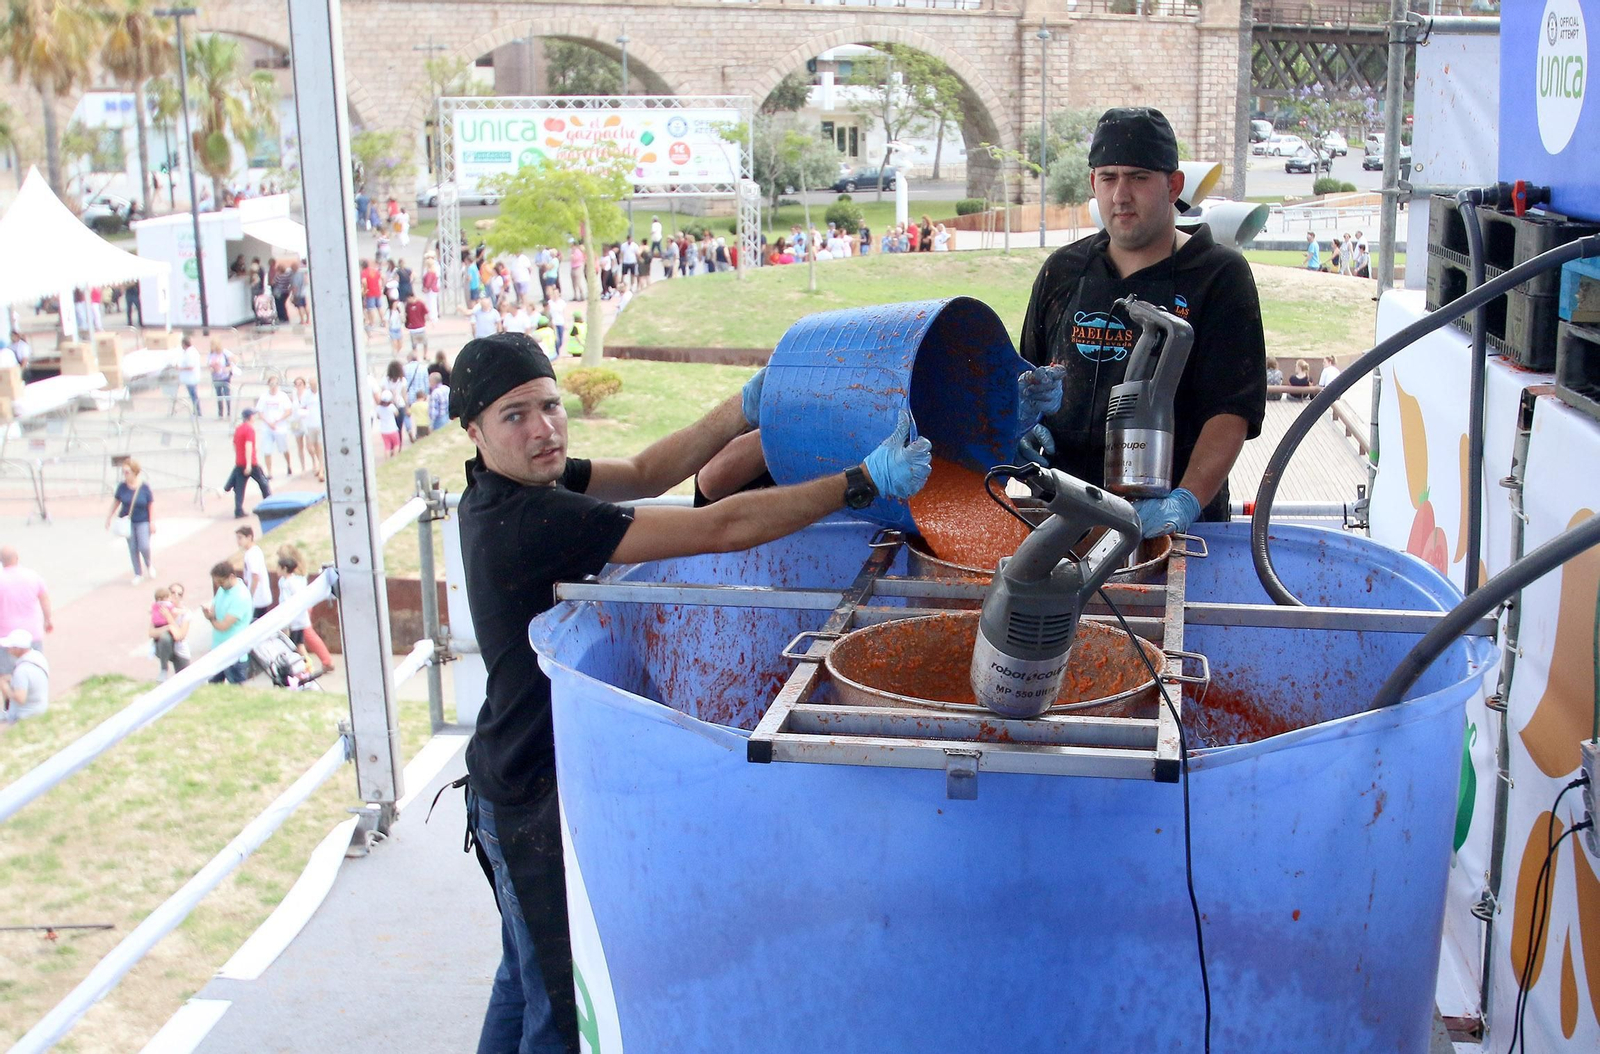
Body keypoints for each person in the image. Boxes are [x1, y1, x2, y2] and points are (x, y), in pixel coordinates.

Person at [448, 332, 931, 1052]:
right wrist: (859, 483)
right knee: (557, 1007)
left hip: (506, 774)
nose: (543, 428)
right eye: (515, 416)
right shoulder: (531, 520)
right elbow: (721, 526)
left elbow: (647, 468)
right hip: (530, 791)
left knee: (524, 978)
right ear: (475, 431)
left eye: (550, 406)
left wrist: (741, 409)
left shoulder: (510, 486)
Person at [1017, 107, 1266, 538]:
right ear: (1093, 184)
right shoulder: (1064, 270)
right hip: (1064, 518)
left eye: (1138, 177)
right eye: (1108, 177)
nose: (1121, 195)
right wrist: (1021, 423)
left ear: (1173, 185)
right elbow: (1025, 374)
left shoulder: (1219, 276)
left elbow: (1231, 412)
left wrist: (1186, 500)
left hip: (1172, 526)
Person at [0, 547, 52, 676]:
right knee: (35, 671)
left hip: (6, 636)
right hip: (31, 633)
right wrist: (48, 620)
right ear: (17, 558)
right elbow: (44, 599)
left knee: (7, 676)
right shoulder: (32, 575)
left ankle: (13, 696)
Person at [202, 562, 253, 684]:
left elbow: (223, 626)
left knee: (237, 691)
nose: (219, 585)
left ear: (231, 577)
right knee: (213, 689)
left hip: (235, 654)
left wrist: (210, 619)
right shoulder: (222, 590)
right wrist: (209, 614)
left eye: (221, 582)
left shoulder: (240, 596)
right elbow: (214, 610)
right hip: (217, 650)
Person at [107, 459, 156, 584]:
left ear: (134, 472)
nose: (125, 474)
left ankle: (149, 564)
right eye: (123, 472)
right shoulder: (122, 487)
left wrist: (152, 522)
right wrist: (109, 518)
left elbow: (150, 505)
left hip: (143, 520)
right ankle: (138, 573)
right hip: (127, 521)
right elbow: (116, 503)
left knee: (144, 545)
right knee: (133, 547)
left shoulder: (144, 487)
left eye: (127, 472)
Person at [225, 408, 271, 518]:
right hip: (250, 463)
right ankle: (269, 504)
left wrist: (239, 457)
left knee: (239, 488)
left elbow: (235, 445)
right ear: (250, 417)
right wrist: (249, 464)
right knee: (263, 484)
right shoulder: (249, 430)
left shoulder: (238, 429)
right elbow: (248, 446)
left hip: (240, 462)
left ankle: (238, 509)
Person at [0, 629, 49, 727]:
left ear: (19, 649)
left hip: (25, 715)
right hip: (40, 707)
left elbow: (20, 698)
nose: (8, 650)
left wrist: (5, 688)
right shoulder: (38, 657)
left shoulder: (22, 671)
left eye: (11, 647)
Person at [275, 552, 312, 666]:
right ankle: (307, 664)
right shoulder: (283, 581)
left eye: (278, 567)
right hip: (292, 619)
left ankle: (304, 665)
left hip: (296, 620)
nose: (276, 570)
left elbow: (295, 600)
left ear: (284, 569)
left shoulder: (292, 583)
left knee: (294, 644)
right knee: (299, 644)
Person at [256, 376, 297, 478]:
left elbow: (288, 411)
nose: (273, 387)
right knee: (267, 450)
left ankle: (289, 465)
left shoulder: (282, 396)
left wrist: (278, 420)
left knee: (284, 448)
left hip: (280, 427)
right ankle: (269, 472)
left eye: (275, 384)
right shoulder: (264, 397)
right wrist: (268, 422)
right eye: (271, 384)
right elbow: (260, 412)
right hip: (267, 427)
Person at [235, 525, 273, 622]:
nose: (238, 541)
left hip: (258, 597)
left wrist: (250, 595)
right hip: (259, 596)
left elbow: (255, 576)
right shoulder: (253, 551)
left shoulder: (252, 554)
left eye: (240, 538)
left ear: (249, 537)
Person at [208, 338, 235, 418]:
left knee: (227, 394)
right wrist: (211, 369)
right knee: (218, 395)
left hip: (225, 377)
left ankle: (229, 412)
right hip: (216, 377)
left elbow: (233, 361)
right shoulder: (211, 354)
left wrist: (229, 368)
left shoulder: (224, 352)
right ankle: (220, 413)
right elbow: (209, 364)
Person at [177, 336, 203, 415]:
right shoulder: (190, 352)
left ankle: (198, 411)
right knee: (193, 395)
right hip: (190, 378)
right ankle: (196, 410)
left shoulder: (190, 353)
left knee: (193, 395)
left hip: (191, 378)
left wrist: (180, 368)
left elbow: (191, 366)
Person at [375, 390, 402, 456]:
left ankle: (387, 460)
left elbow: (378, 417)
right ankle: (395, 458)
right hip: (392, 429)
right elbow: (397, 414)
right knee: (396, 444)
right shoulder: (391, 407)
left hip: (383, 430)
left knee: (387, 447)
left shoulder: (378, 408)